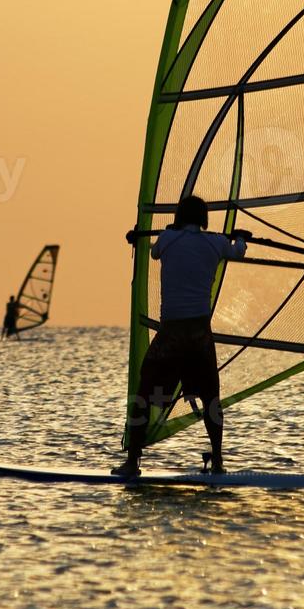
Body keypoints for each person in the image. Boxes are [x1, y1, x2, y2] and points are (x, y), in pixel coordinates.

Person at [112, 195, 249, 478]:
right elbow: (238, 252)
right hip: (199, 334)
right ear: (204, 220)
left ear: (177, 217)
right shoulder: (216, 243)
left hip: (171, 334)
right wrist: (240, 238)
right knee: (211, 398)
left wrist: (162, 233)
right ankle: (219, 461)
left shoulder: (167, 239)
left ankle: (132, 462)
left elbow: (155, 252)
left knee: (143, 394)